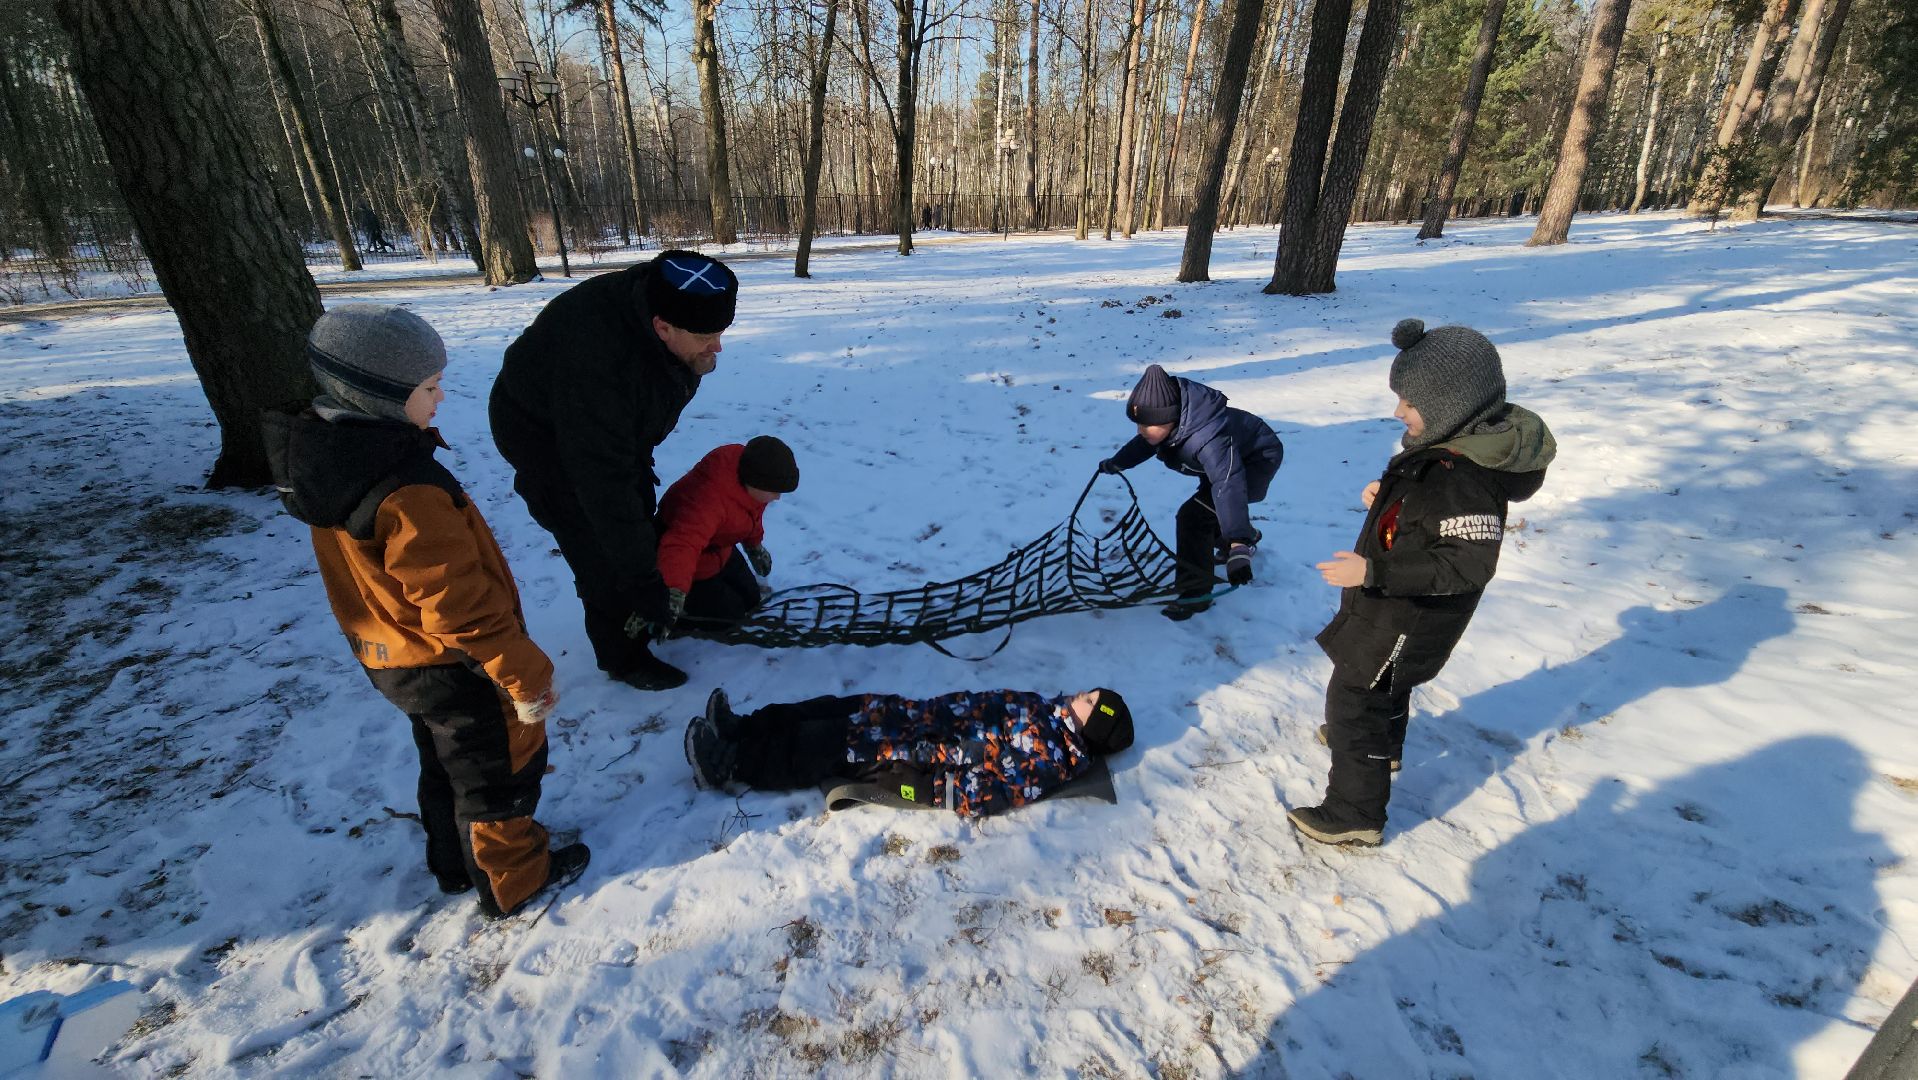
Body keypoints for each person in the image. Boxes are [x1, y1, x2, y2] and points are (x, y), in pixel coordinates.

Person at [262, 304, 589, 919]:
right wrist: (521, 671)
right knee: (499, 768)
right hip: (454, 659)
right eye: (428, 388)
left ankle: (454, 863)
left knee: (446, 759)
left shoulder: (333, 461)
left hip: (395, 657)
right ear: (380, 397)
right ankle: (512, 878)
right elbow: (457, 601)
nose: (440, 398)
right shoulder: (407, 489)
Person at [1290, 318, 1556, 847]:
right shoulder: (1452, 446)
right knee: (1387, 684)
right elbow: (1426, 503)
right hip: (1399, 614)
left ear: (1451, 405)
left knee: (1354, 695)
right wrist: (1388, 496)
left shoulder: (1468, 477)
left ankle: (1354, 813)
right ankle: (1381, 747)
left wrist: (1373, 570)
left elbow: (1465, 563)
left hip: (1408, 613)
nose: (1397, 413)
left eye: (1409, 404)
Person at [490, 249, 739, 691]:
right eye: (706, 336)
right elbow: (603, 482)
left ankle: (654, 602)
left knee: (636, 512)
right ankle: (622, 657)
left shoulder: (671, 299)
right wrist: (641, 578)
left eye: (720, 332)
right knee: (597, 545)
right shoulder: (596, 362)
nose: (717, 346)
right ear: (662, 327)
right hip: (544, 438)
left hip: (609, 429)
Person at [682, 686, 1135, 818]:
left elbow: (993, 791)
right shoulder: (1051, 712)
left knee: (820, 745)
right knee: (831, 708)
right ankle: (742, 728)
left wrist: (933, 783)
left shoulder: (1049, 758)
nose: (1081, 693)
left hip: (917, 752)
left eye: (1090, 701)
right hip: (920, 715)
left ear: (1086, 725)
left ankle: (727, 763)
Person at [1099, 364, 1284, 619]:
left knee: (1193, 518)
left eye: (1147, 425)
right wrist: (1117, 462)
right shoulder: (1166, 427)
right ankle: (1240, 537)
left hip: (1254, 461)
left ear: (1172, 418)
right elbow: (1143, 444)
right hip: (1222, 467)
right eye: (1139, 424)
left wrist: (1238, 544)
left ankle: (1195, 595)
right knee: (1210, 509)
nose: (1141, 431)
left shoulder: (1208, 439)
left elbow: (1228, 484)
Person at [652, 436, 799, 634]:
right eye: (774, 491)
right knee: (730, 617)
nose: (778, 498)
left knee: (751, 599)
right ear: (755, 483)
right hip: (687, 563)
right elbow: (682, 545)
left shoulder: (752, 473)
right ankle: (680, 619)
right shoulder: (707, 501)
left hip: (721, 548)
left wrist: (754, 546)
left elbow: (750, 515)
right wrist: (672, 594)